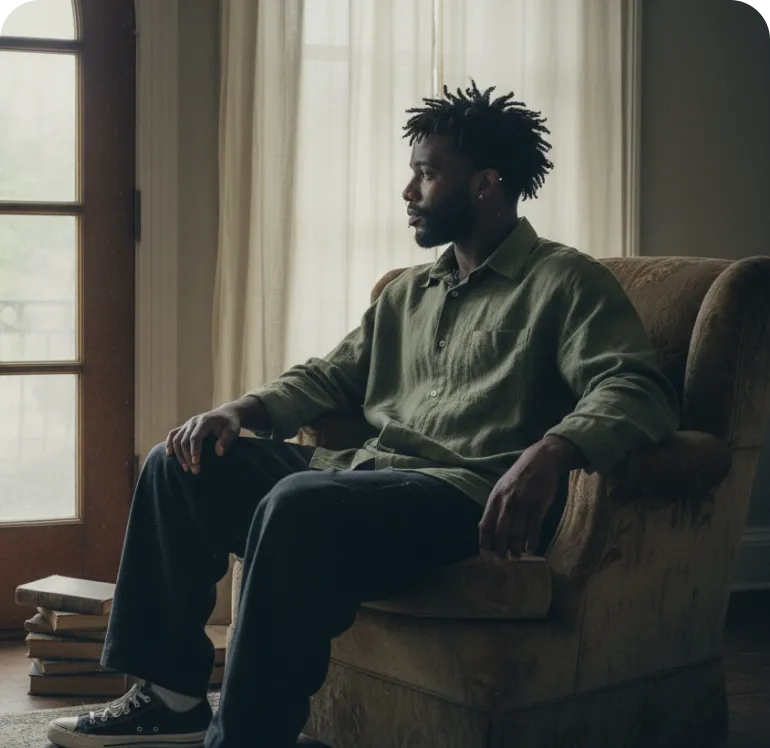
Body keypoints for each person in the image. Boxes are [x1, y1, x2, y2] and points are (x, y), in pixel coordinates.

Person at [48, 81, 679, 748]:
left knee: (299, 505)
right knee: (180, 462)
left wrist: (553, 452)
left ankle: (247, 739)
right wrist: (240, 410)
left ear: (487, 185)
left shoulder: (566, 283)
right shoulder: (408, 294)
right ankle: (173, 699)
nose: (410, 192)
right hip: (363, 477)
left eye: (428, 175)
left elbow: (637, 389)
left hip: (462, 497)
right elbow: (331, 374)